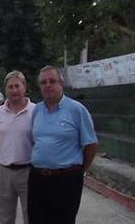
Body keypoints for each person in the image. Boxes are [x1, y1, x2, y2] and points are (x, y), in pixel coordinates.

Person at [28, 66, 98, 224]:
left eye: (52, 81)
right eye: (43, 82)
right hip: (37, 179)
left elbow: (91, 145)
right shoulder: (37, 111)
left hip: (66, 180)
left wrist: (79, 170)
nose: (47, 85)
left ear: (61, 83)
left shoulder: (77, 110)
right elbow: (35, 141)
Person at [0, 71, 35, 224]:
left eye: (17, 86)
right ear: (5, 89)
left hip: (28, 172)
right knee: (5, 217)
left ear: (24, 87)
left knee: (31, 216)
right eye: (10, 86)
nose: (14, 90)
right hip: (4, 172)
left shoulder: (35, 111)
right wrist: (7, 153)